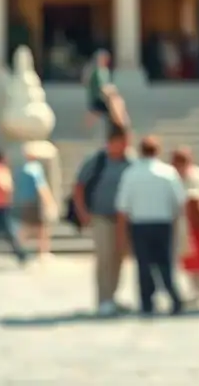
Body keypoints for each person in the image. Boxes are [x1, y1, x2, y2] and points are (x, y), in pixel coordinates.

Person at [115, 135, 186, 315]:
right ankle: (174, 297)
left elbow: (122, 206)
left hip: (140, 224)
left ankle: (147, 302)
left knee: (143, 265)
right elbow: (180, 200)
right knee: (165, 264)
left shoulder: (131, 173)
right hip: (163, 223)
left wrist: (121, 233)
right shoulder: (168, 172)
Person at [72, 123, 134, 316]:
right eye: (122, 142)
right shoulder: (97, 161)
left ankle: (112, 297)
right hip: (100, 217)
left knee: (118, 258)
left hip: (122, 219)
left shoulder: (130, 162)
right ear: (112, 142)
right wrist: (82, 212)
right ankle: (103, 299)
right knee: (105, 257)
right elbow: (79, 186)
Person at [173, 147, 199, 305]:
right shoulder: (172, 177)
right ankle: (192, 291)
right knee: (188, 260)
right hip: (183, 223)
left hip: (198, 222)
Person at [15, 146, 57, 260]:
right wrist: (49, 201)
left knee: (27, 226)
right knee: (42, 227)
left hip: (25, 201)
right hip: (35, 202)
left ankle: (20, 247)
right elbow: (41, 186)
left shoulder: (24, 168)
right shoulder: (35, 168)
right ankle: (43, 252)